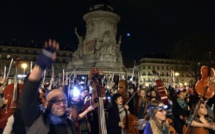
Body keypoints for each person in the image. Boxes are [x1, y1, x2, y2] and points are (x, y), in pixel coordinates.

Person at [20, 39, 75, 134]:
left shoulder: (70, 124)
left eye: (63, 100)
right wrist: (40, 65)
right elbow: (29, 93)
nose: (62, 104)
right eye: (57, 101)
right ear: (46, 104)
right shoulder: (35, 120)